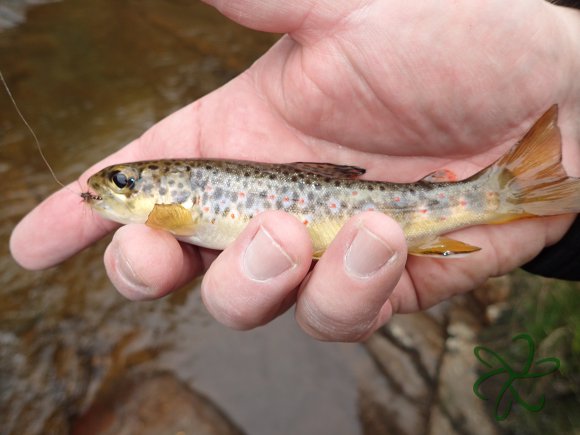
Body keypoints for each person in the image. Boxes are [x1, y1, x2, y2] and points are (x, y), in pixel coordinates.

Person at [9, 0, 580, 341]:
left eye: (125, 182)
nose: (112, 186)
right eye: (120, 183)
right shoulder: (169, 215)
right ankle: (507, 197)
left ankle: (506, 195)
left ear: (165, 194)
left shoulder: (171, 215)